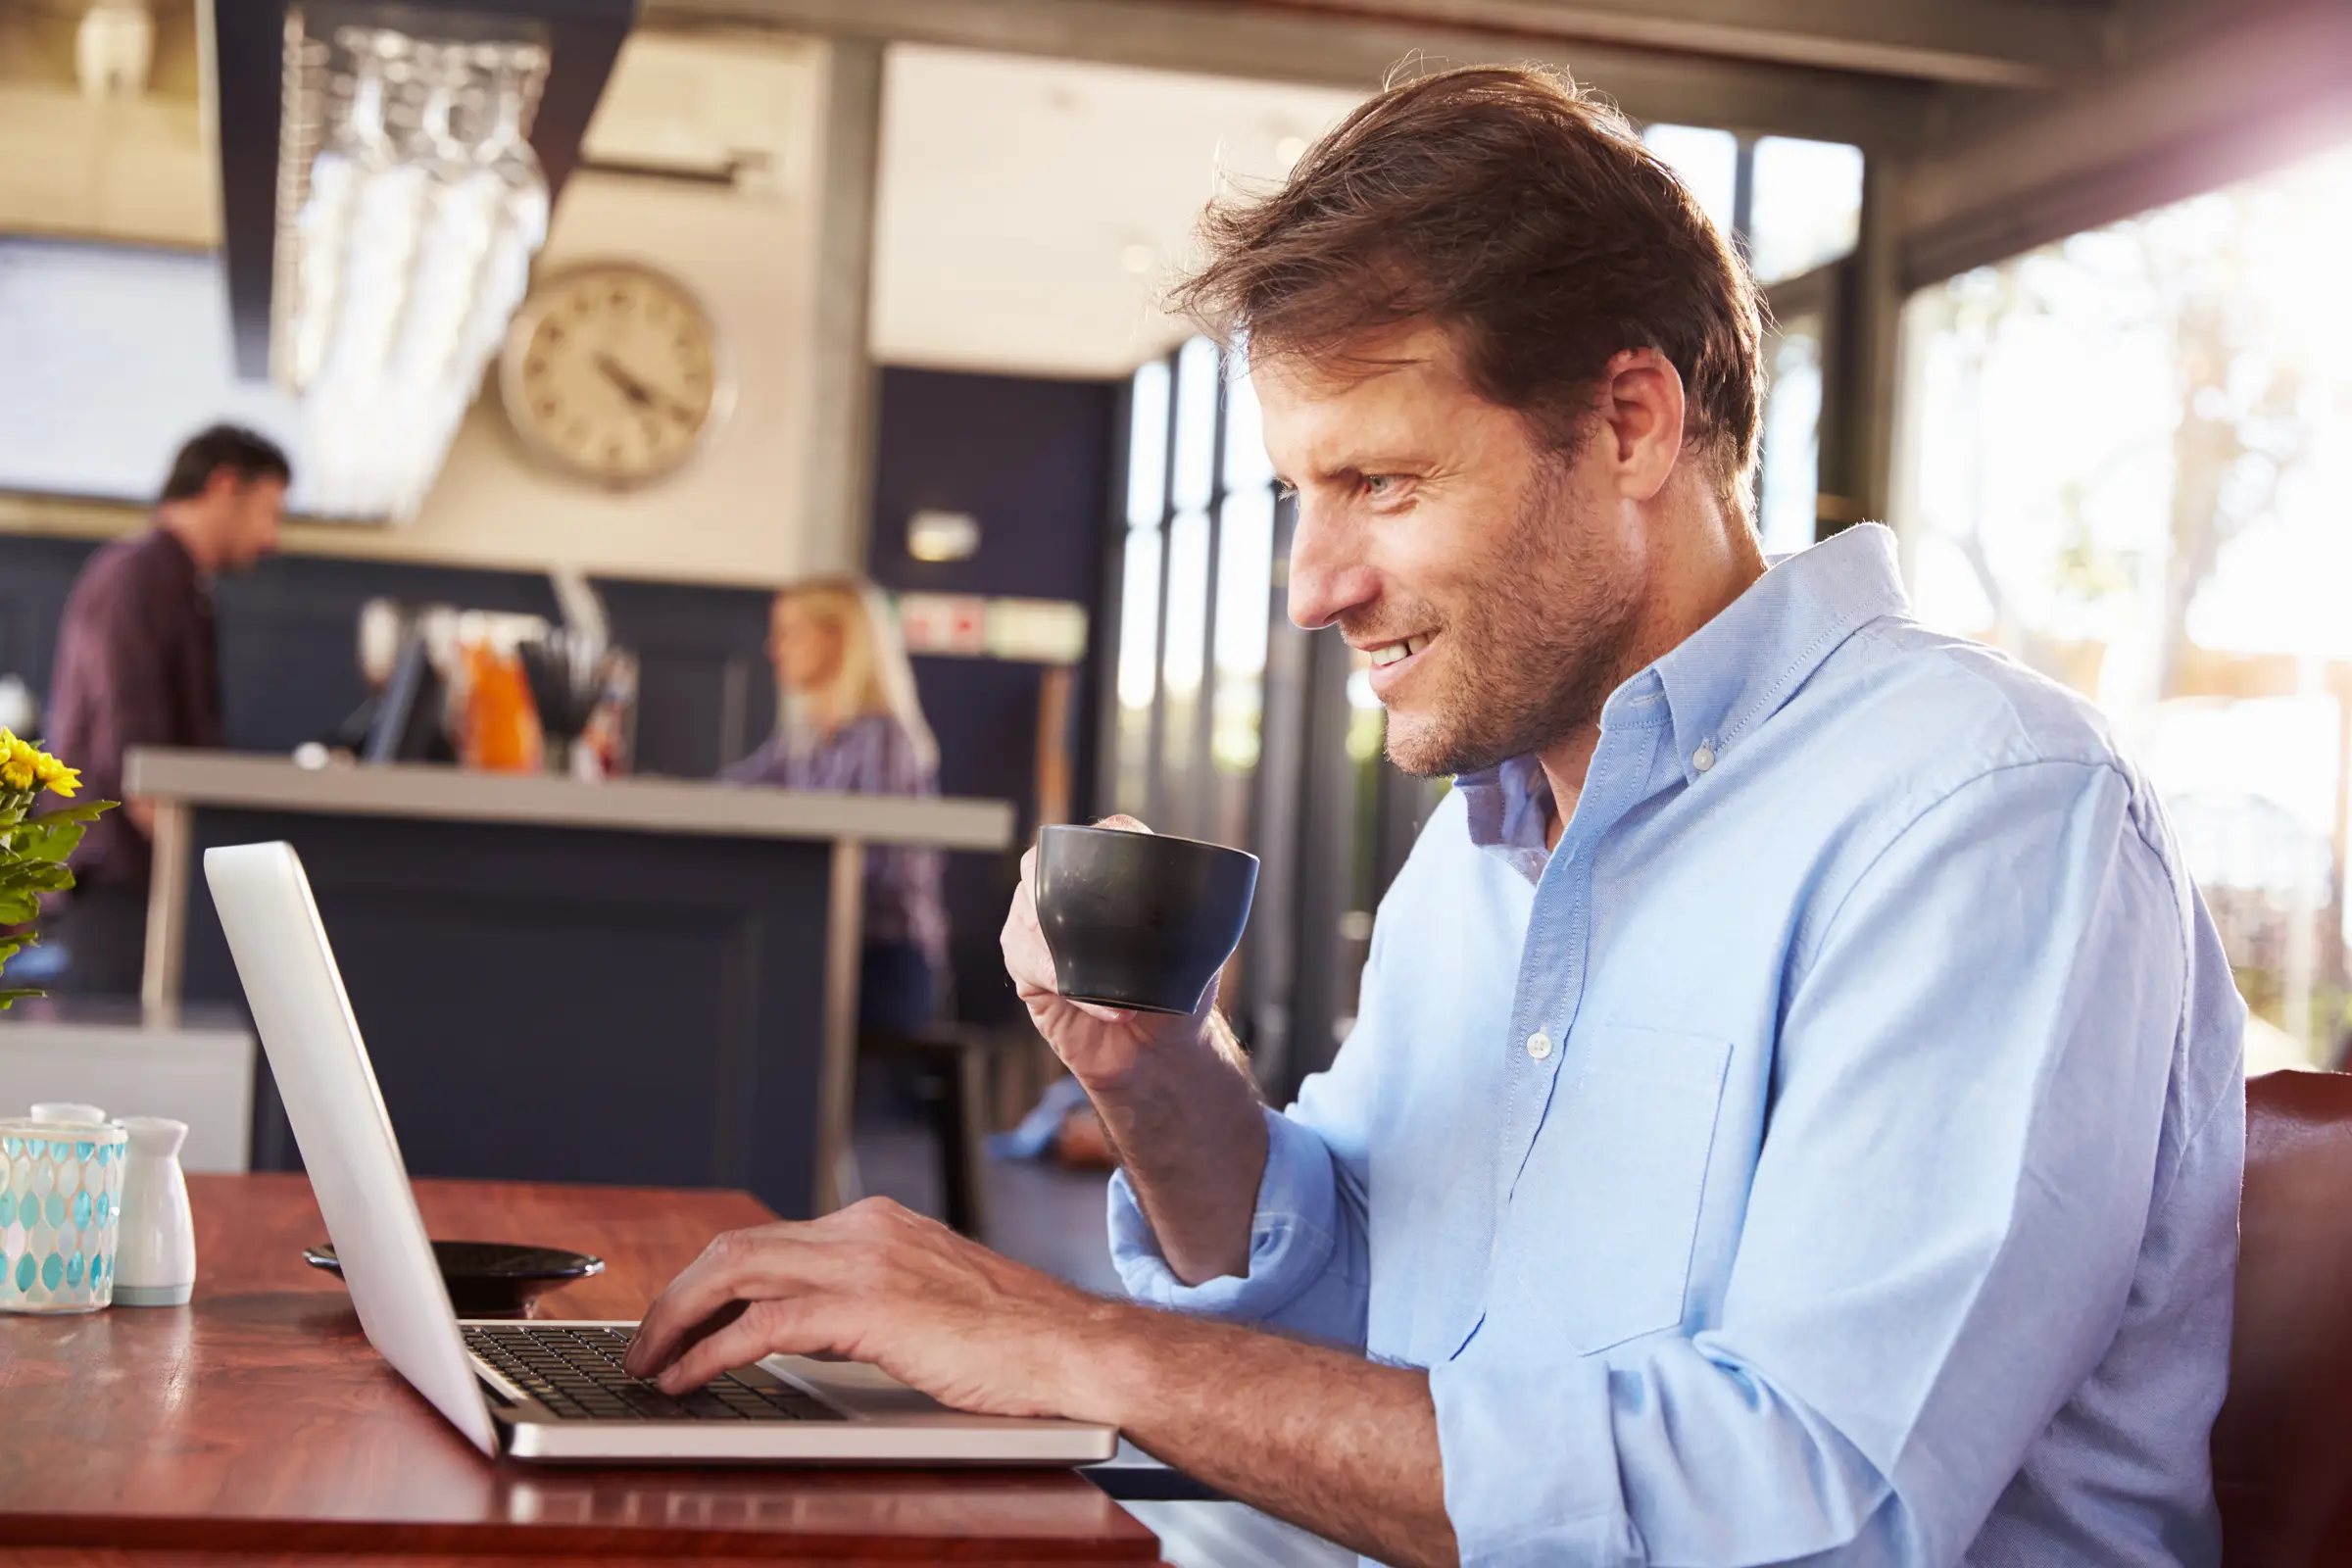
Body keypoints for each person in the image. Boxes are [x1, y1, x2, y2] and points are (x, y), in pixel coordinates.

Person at [623, 68, 2243, 1568]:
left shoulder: (1983, 814)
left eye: (1381, 485)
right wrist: (1157, 1074)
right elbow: (1349, 1326)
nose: (1314, 588)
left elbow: (1810, 1514)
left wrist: (1066, 1342)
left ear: (1631, 422)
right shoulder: (1494, 835)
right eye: (1297, 497)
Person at [46, 424, 288, 996]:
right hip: (118, 888)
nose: (272, 538)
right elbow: (136, 763)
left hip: (136, 882)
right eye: (268, 513)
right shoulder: (140, 577)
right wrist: (215, 885)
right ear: (224, 485)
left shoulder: (178, 584)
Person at [723, 575, 949, 1037]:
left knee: (741, 995)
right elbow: (728, 793)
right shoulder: (804, 740)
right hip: (827, 951)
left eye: (789, 632)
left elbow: (878, 873)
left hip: (887, 965)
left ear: (834, 638)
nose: (774, 648)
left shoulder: (883, 740)